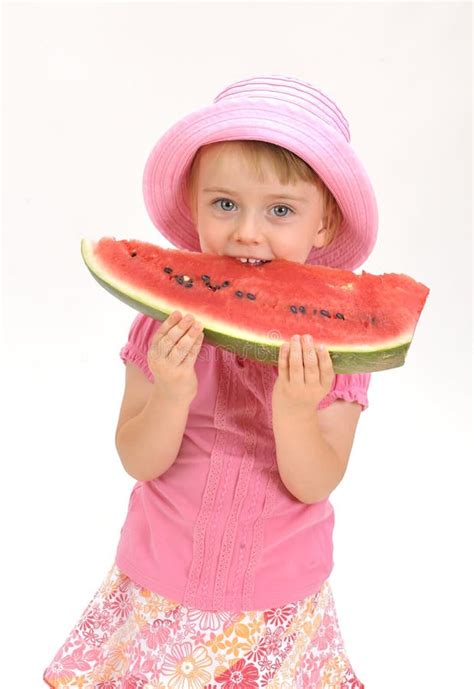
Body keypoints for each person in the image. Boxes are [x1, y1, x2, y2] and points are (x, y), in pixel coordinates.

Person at [43, 74, 378, 688]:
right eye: (224, 204)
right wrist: (171, 392)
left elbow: (316, 481)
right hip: (160, 588)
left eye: (280, 210)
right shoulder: (160, 324)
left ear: (324, 224)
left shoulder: (333, 345)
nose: (248, 231)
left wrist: (297, 408)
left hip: (277, 600)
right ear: (194, 206)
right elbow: (138, 459)